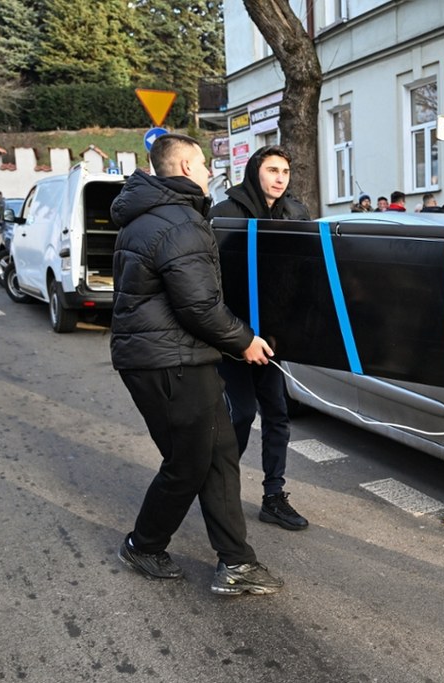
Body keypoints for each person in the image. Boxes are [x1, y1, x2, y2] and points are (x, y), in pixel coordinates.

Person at [109, 132, 283, 596]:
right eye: (203, 163)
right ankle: (143, 545)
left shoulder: (152, 215)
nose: (209, 171)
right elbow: (199, 306)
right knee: (188, 463)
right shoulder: (179, 221)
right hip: (169, 363)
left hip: (173, 357)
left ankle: (236, 563)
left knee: (219, 455)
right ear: (185, 167)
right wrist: (244, 341)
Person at [209, 145, 311, 532]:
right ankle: (220, 491)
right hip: (232, 338)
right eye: (272, 170)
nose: (280, 178)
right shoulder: (224, 214)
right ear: (255, 172)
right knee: (240, 414)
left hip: (273, 338)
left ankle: (273, 496)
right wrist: (237, 337)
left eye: (285, 171)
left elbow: (305, 273)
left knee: (277, 415)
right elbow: (210, 284)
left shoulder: (295, 214)